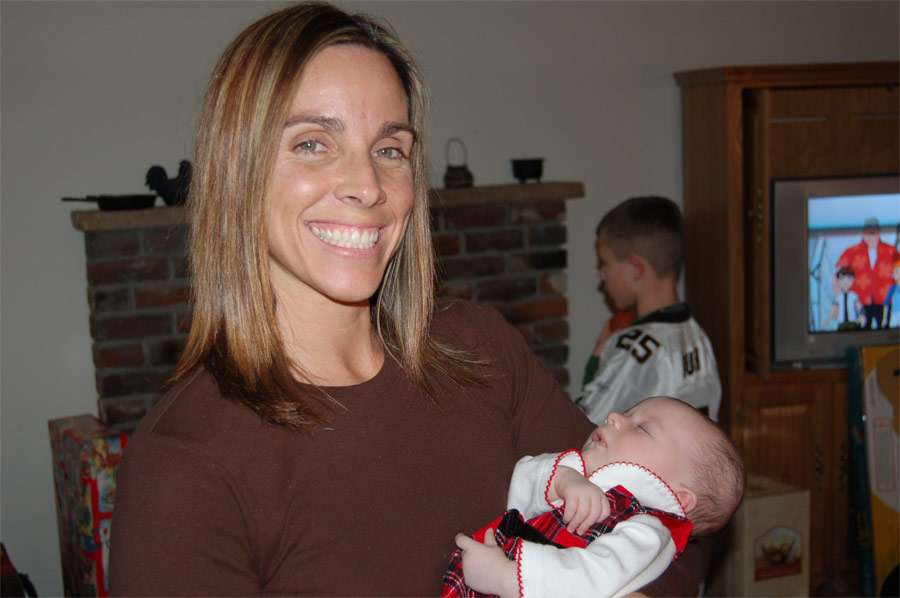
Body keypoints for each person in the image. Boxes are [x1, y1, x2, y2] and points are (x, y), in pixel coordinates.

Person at [106, 4, 704, 596]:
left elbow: (673, 517)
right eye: (312, 143)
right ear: (237, 170)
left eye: (390, 149)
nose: (367, 186)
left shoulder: (481, 349)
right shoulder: (183, 465)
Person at [444, 396, 745, 598]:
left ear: (679, 497)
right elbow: (521, 485)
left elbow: (591, 580)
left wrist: (505, 577)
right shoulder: (583, 476)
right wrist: (564, 479)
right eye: (628, 412)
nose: (614, 417)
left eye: (642, 428)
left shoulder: (648, 533)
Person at [577, 196, 721, 424]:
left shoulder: (633, 349)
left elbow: (584, 425)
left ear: (635, 269)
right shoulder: (699, 337)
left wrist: (597, 359)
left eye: (604, 262)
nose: (602, 273)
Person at [835, 217, 900, 329]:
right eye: (869, 231)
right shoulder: (851, 252)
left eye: (874, 231)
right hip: (861, 302)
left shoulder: (891, 251)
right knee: (861, 332)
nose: (871, 234)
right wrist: (839, 301)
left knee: (886, 332)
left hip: (885, 301)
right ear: (864, 232)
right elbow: (838, 273)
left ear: (879, 231)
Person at [823, 266, 865, 331]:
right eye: (842, 279)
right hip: (841, 322)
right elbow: (834, 308)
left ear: (853, 280)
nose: (845, 282)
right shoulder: (839, 297)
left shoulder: (853, 295)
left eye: (849, 279)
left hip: (852, 322)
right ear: (838, 281)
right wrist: (828, 319)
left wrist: (861, 316)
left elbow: (859, 306)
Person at [883, 259, 900, 328]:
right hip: (894, 313)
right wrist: (884, 318)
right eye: (897, 272)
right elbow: (886, 303)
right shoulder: (893, 288)